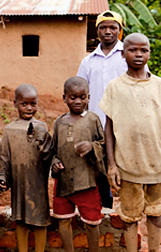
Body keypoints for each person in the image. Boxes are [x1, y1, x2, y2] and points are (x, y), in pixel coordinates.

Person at [99, 33, 161, 252]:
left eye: (144, 50)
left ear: (149, 53)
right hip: (127, 166)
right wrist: (112, 164)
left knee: (156, 214)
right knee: (129, 217)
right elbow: (109, 128)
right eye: (133, 50)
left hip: (155, 163)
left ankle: (153, 249)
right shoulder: (115, 87)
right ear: (123, 54)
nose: (139, 54)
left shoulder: (160, 85)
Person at [77, 10, 126, 208]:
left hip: (124, 126)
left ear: (119, 31)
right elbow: (80, 93)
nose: (108, 31)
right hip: (96, 128)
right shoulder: (88, 62)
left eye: (112, 27)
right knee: (99, 172)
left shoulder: (127, 55)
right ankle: (104, 213)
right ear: (97, 31)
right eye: (103, 27)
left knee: (125, 172)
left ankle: (127, 218)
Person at [51, 76, 105, 252]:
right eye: (72, 97)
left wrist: (92, 146)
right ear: (64, 98)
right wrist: (55, 162)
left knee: (91, 222)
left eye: (82, 97)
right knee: (63, 220)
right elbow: (53, 151)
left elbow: (103, 145)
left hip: (86, 181)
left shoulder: (92, 119)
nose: (78, 101)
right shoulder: (59, 123)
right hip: (63, 182)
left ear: (88, 97)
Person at [0, 84, 52, 252]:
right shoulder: (9, 130)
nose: (29, 108)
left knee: (40, 221)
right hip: (19, 184)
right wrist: (2, 178)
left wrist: (43, 142)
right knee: (21, 221)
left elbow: (49, 155)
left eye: (33, 104)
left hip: (38, 184)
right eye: (24, 104)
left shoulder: (42, 127)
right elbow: (4, 159)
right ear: (15, 104)